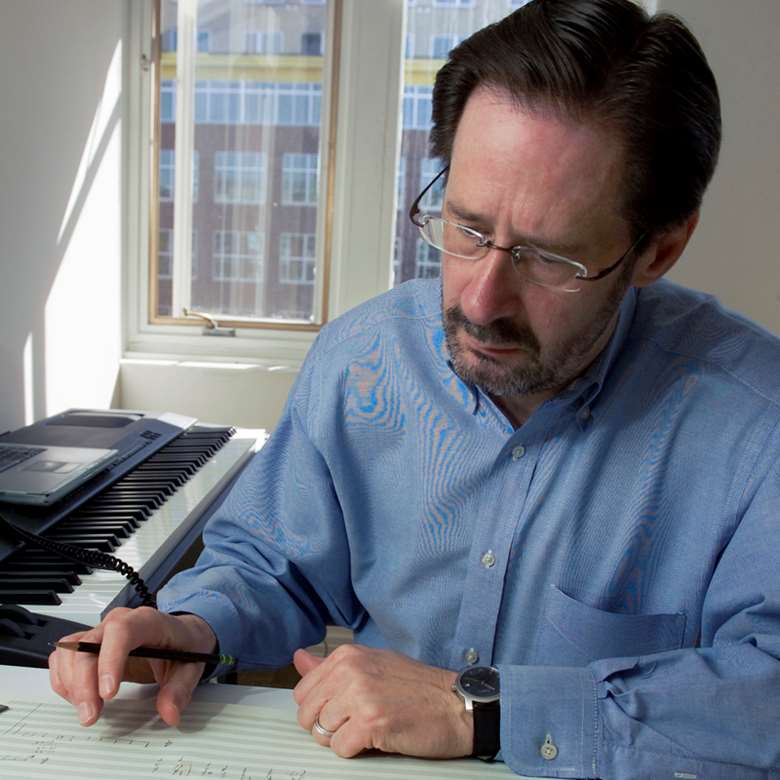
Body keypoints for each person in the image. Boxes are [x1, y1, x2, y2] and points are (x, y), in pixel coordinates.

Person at [49, 0, 780, 777]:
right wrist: (195, 623)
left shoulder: (755, 425)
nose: (479, 300)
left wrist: (483, 707)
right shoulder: (363, 358)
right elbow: (275, 564)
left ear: (659, 248)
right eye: (466, 229)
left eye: (548, 258)